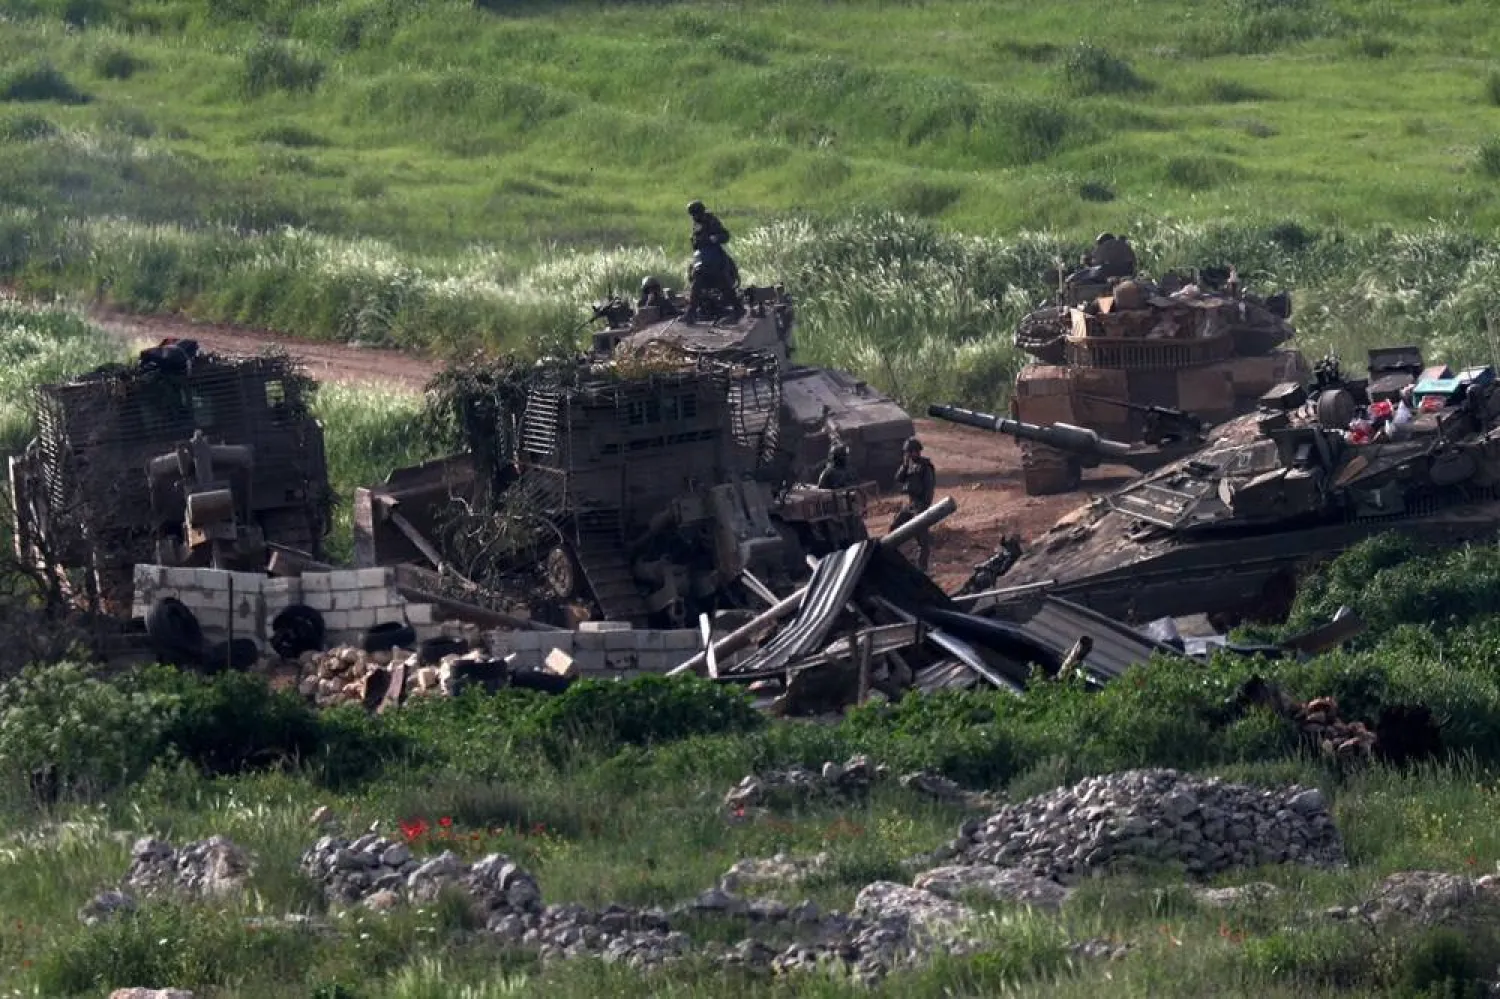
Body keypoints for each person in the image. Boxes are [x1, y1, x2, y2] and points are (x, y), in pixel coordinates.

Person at [685, 200, 741, 323]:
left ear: (701, 212)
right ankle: (691, 312)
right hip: (702, 257)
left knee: (723, 280)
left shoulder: (711, 221)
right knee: (696, 282)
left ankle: (737, 308)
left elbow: (725, 235)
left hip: (714, 255)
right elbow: (695, 242)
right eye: (693, 214)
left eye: (696, 213)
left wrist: (714, 238)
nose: (695, 217)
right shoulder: (696, 223)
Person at [890, 436, 936, 572]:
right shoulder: (908, 466)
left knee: (923, 540)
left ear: (917, 451)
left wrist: (923, 509)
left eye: (910, 452)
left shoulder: (925, 467)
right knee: (894, 528)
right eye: (907, 452)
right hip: (910, 505)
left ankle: (922, 568)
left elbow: (929, 489)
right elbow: (898, 478)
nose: (908, 454)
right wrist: (904, 465)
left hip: (920, 506)